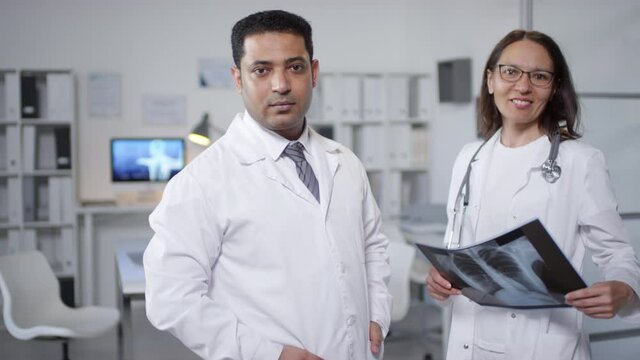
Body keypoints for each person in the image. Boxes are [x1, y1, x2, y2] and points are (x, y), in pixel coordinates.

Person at [143, 10, 391, 360]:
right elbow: (171, 297)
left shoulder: (345, 162)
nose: (281, 85)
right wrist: (269, 354)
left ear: (314, 72)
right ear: (238, 79)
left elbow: (372, 247)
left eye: (295, 67)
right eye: (262, 70)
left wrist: (377, 315)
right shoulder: (202, 182)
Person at [426, 29, 640, 360]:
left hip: (542, 344)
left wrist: (623, 291)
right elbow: (456, 249)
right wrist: (441, 277)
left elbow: (618, 255)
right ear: (490, 80)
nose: (523, 86)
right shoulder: (468, 157)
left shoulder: (580, 162)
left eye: (539, 76)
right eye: (510, 72)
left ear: (554, 88)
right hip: (470, 339)